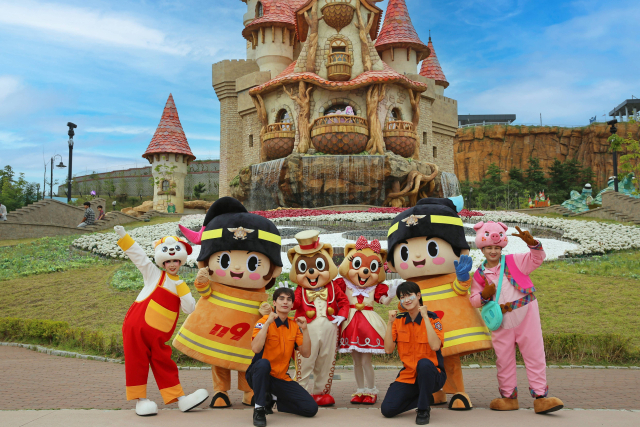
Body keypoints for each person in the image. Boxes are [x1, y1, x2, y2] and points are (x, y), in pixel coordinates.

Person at [173, 197, 281, 408]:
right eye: (225, 260)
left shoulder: (257, 292)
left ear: (273, 269)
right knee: (218, 359)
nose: (237, 269)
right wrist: (202, 282)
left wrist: (266, 312)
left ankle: (249, 391)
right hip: (217, 330)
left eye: (253, 263)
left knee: (246, 360)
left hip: (245, 333)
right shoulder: (216, 284)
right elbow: (205, 293)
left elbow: (265, 313)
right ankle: (220, 391)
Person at [386, 198, 490, 410]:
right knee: (426, 361)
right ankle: (434, 392)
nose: (417, 257)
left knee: (450, 360)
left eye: (432, 248)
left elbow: (460, 290)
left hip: (448, 329)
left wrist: (462, 278)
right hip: (421, 335)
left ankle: (458, 392)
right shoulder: (409, 286)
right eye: (405, 252)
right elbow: (404, 305)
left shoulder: (448, 276)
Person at [469, 222, 564, 414]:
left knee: (534, 354)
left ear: (501, 247)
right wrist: (484, 295)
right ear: (482, 249)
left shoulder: (515, 260)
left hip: (525, 312)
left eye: (496, 248)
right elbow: (473, 300)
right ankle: (508, 398)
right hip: (500, 320)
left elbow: (536, 259)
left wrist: (533, 245)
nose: (493, 251)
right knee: (503, 359)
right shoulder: (479, 274)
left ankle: (541, 397)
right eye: (489, 248)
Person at [114, 226, 209, 416]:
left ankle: (180, 398)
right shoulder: (154, 275)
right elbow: (139, 257)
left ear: (181, 261)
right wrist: (124, 237)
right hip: (137, 328)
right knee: (136, 362)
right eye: (168, 261)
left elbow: (189, 309)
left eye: (175, 261)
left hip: (159, 335)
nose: (172, 264)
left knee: (164, 362)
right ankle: (140, 400)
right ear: (162, 262)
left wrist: (183, 289)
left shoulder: (180, 284)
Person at [335, 236, 397, 405]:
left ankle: (371, 389)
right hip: (350, 323)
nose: (364, 271)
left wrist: (391, 296)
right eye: (358, 265)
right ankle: (360, 389)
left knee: (365, 361)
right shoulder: (344, 284)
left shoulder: (375, 287)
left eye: (372, 267)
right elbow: (334, 297)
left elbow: (384, 301)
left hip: (368, 324)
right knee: (356, 361)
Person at [247, 286, 318, 427]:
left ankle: (273, 398)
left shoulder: (294, 325)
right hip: (259, 374)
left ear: (292, 305)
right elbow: (255, 348)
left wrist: (305, 329)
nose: (285, 302)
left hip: (280, 378)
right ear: (274, 303)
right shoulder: (264, 321)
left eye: (289, 299)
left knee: (310, 409)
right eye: (281, 299)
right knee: (263, 364)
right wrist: (268, 323)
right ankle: (259, 409)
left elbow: (306, 353)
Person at [381, 282, 446, 425]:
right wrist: (390, 323)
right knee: (387, 409)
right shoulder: (398, 321)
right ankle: (424, 396)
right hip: (409, 375)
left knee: (424, 364)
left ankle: (423, 409)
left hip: (433, 374)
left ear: (418, 295)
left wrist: (425, 317)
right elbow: (388, 349)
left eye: (409, 295)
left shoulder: (433, 318)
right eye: (402, 297)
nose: (406, 300)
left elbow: (435, 346)